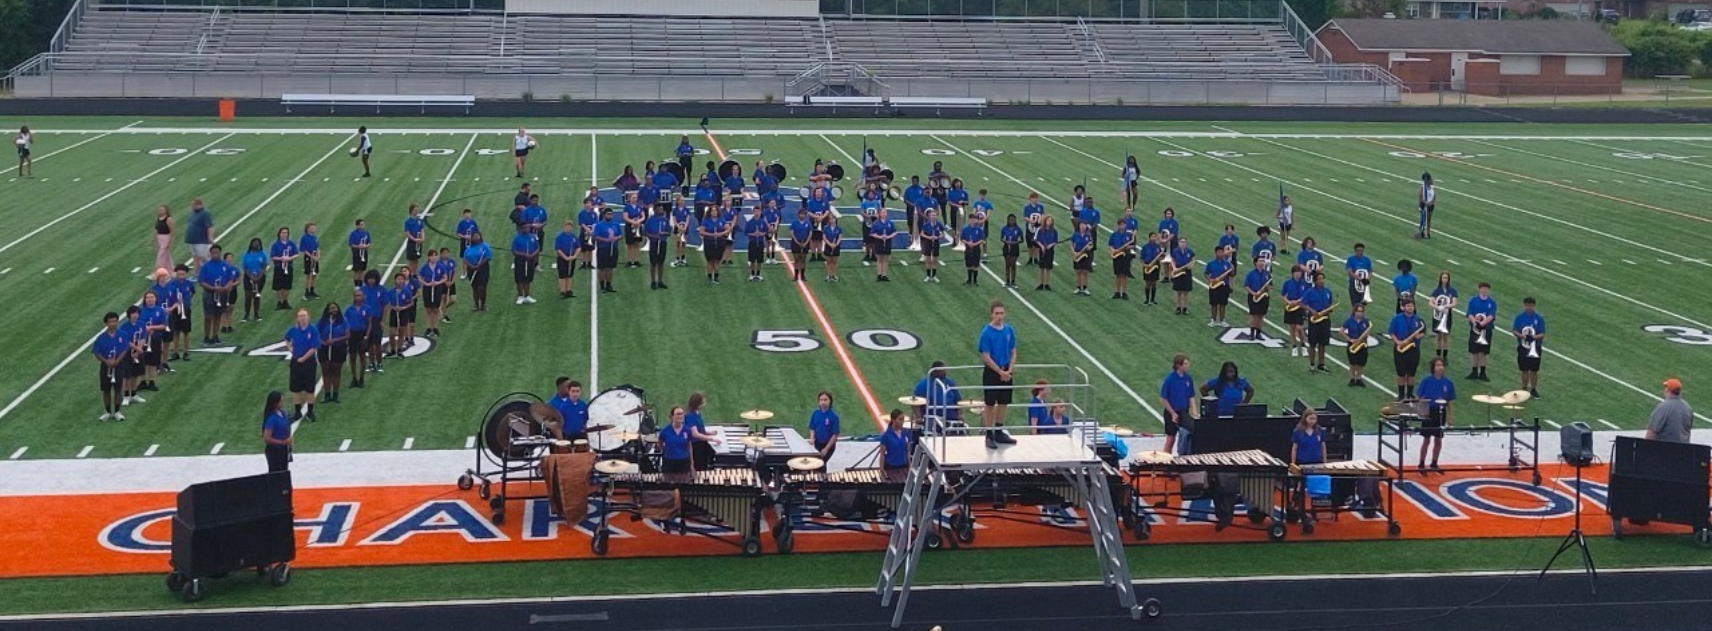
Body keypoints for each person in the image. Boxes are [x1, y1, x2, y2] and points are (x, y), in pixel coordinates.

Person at [978, 301, 1019, 449]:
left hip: (1006, 369)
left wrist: (1009, 370)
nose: (999, 316)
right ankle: (989, 433)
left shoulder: (1009, 330)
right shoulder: (987, 332)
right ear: (992, 314)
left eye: (1001, 313)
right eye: (997, 313)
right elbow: (986, 356)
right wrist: (1000, 372)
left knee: (1003, 401)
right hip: (992, 371)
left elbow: (1013, 351)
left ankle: (999, 430)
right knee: (990, 403)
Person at [1415, 357, 1456, 473]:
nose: (1440, 367)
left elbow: (1449, 401)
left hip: (1441, 411)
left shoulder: (1448, 383)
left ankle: (1434, 463)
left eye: (1442, 365)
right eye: (1438, 365)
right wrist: (1421, 410)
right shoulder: (1426, 381)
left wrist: (1450, 416)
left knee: (1438, 440)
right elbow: (1419, 397)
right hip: (1429, 411)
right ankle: (1421, 463)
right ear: (1433, 367)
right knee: (1426, 440)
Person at [1288, 408, 1326, 525]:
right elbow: (1294, 448)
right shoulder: (1298, 431)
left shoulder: (1319, 431)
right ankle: (1298, 509)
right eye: (1310, 418)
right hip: (1302, 462)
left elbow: (1323, 446)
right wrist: (1293, 463)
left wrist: (1325, 462)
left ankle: (1313, 511)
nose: (1313, 421)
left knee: (1315, 488)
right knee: (1299, 487)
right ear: (1305, 418)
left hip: (1316, 462)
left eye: (1315, 418)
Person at [285, 308, 321, 422]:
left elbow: (314, 347)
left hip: (309, 362)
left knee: (310, 388)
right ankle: (297, 412)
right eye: (300, 316)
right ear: (297, 318)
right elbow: (286, 339)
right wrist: (290, 349)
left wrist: (303, 358)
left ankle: (310, 412)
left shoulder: (313, 330)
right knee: (295, 388)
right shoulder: (293, 330)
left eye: (304, 315)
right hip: (296, 362)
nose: (303, 318)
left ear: (308, 317)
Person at [1159, 354, 1198, 455]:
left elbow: (1191, 396)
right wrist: (1173, 413)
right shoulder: (1170, 379)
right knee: (1171, 439)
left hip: (1184, 412)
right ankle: (1166, 459)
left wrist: (1194, 410)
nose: (1188, 365)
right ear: (1178, 365)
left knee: (1188, 436)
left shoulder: (1188, 379)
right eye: (1185, 363)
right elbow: (1163, 399)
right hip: (1171, 412)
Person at [1389, 300, 1426, 401]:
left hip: (1413, 349)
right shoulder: (1396, 319)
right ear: (1403, 307)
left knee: (1411, 373)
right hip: (1400, 348)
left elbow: (1423, 332)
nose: (1410, 308)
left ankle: (1410, 394)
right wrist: (1398, 342)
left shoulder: (1418, 319)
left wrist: (1419, 336)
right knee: (1401, 373)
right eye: (1408, 306)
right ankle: (1401, 395)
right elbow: (1391, 332)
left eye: (1412, 306)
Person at [94, 312, 127, 421]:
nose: (113, 324)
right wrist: (106, 361)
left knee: (118, 389)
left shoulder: (123, 335)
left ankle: (117, 411)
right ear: (106, 323)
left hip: (119, 365)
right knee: (106, 390)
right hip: (106, 366)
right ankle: (108, 411)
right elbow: (97, 352)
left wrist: (117, 361)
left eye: (114, 321)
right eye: (110, 322)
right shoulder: (101, 338)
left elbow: (125, 349)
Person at [1513, 297, 1546, 399]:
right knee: (1524, 369)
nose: (1529, 307)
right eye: (1527, 305)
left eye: (1531, 306)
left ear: (1534, 306)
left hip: (1535, 347)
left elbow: (1542, 333)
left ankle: (1533, 389)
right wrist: (1523, 336)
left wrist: (1533, 337)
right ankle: (1524, 388)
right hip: (1523, 347)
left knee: (1534, 370)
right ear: (1524, 305)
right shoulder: (1519, 317)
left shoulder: (1539, 318)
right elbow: (1515, 331)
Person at [1304, 272, 1337, 374]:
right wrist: (1312, 310)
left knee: (1323, 343)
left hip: (1325, 319)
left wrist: (1329, 309)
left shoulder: (1328, 291)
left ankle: (1321, 364)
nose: (1322, 281)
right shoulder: (1309, 292)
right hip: (1314, 319)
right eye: (1319, 279)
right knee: (1313, 343)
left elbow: (1329, 303)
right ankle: (1312, 364)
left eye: (1322, 278)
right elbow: (1302, 304)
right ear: (1315, 281)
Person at [913, 361, 963, 429]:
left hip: (952, 420)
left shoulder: (950, 383)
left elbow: (958, 400)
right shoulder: (923, 385)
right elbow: (916, 403)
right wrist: (919, 417)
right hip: (933, 421)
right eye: (942, 371)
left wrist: (960, 415)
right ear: (934, 372)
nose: (945, 372)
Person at [200, 245, 235, 342]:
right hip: (209, 293)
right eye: (213, 253)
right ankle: (207, 337)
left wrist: (225, 287)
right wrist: (212, 288)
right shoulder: (205, 266)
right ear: (210, 254)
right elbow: (202, 281)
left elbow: (231, 279)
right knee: (208, 316)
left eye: (217, 252)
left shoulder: (225, 266)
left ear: (220, 253)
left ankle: (215, 336)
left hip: (222, 293)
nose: (215, 254)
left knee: (218, 315)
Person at [317, 302, 348, 404]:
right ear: (327, 310)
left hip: (339, 348)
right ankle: (327, 394)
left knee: (336, 371)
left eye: (335, 308)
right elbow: (316, 334)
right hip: (324, 348)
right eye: (331, 308)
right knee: (326, 371)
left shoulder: (343, 321)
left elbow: (347, 335)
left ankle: (335, 394)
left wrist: (335, 340)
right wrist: (323, 342)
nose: (333, 310)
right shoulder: (322, 321)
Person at [164, 265, 196, 363]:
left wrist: (187, 301)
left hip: (185, 309)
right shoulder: (171, 284)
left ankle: (186, 351)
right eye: (179, 274)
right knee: (176, 331)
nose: (181, 276)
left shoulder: (189, 283)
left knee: (186, 331)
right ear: (176, 274)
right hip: (175, 310)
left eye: (183, 274)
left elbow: (192, 292)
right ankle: (176, 352)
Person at [1465, 282, 1497, 381]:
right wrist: (1475, 322)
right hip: (1475, 330)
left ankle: (1482, 373)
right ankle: (1474, 371)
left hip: (1486, 330)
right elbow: (1469, 313)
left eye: (1486, 289)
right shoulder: (1473, 301)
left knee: (1483, 352)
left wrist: (1482, 324)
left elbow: (1491, 316)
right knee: (1474, 352)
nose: (1484, 290)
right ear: (1479, 289)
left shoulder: (1492, 303)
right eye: (1483, 288)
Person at [138, 290, 169, 391]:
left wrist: (152, 328)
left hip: (155, 338)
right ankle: (143, 381)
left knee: (153, 361)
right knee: (143, 360)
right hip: (142, 339)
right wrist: (145, 329)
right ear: (145, 299)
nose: (150, 299)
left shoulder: (160, 310)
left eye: (152, 297)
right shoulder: (140, 311)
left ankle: (152, 381)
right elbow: (137, 325)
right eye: (147, 297)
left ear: (155, 299)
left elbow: (164, 325)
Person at [683, 392, 722, 471]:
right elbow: (695, 434)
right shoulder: (690, 416)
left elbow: (700, 428)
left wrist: (709, 433)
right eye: (703, 402)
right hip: (696, 445)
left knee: (711, 453)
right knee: (700, 465)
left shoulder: (697, 413)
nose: (704, 404)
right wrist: (712, 439)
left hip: (701, 442)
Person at [117, 306, 146, 407]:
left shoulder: (141, 324)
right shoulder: (124, 327)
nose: (135, 315)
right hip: (127, 353)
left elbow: (143, 337)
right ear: (129, 315)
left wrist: (139, 350)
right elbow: (126, 341)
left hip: (137, 352)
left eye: (137, 313)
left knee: (135, 374)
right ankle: (126, 396)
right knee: (127, 375)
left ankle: (133, 394)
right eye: (133, 313)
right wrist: (136, 348)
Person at [1647, 378, 1693, 443]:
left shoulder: (1663, 407)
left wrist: (1646, 446)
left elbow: (1652, 431)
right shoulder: (1687, 408)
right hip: (1683, 447)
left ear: (1667, 390)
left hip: (1666, 447)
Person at [1341, 304, 1373, 388]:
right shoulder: (1349, 320)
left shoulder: (1366, 321)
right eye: (1358, 311)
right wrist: (1350, 339)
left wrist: (1365, 336)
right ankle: (1352, 378)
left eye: (1361, 311)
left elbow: (1368, 331)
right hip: (1353, 343)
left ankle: (1359, 378)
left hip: (1362, 343)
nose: (1360, 313)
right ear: (1354, 311)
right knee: (1353, 362)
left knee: (1361, 363)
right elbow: (1341, 331)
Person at [344, 290, 371, 389]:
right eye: (356, 296)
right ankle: (354, 378)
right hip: (352, 334)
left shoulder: (367, 308)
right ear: (354, 297)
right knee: (352, 356)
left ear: (363, 297)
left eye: (360, 295)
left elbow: (369, 323)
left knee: (363, 356)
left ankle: (361, 379)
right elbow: (345, 323)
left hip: (362, 334)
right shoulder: (348, 309)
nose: (358, 297)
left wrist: (367, 336)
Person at [268, 227, 300, 311]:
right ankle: (280, 301)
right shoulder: (276, 245)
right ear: (279, 234)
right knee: (278, 285)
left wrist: (289, 258)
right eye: (283, 232)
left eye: (286, 233)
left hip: (288, 266)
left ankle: (285, 301)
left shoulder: (291, 243)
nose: (284, 234)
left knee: (287, 285)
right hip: (279, 267)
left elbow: (296, 254)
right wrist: (281, 258)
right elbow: (272, 257)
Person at [696, 203, 728, 285]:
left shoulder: (721, 219)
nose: (714, 212)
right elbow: (701, 231)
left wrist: (721, 234)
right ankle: (710, 278)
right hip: (709, 242)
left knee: (717, 261)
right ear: (709, 212)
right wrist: (712, 234)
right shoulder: (706, 220)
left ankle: (716, 278)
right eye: (712, 211)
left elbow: (728, 228)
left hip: (720, 242)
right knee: (710, 261)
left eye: (715, 211)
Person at [262, 391, 294, 472]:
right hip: (274, 451)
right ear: (275, 403)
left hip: (283, 449)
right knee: (276, 474)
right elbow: (266, 438)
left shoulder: (283, 413)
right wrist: (282, 442)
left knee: (284, 472)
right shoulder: (271, 418)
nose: (283, 403)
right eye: (281, 401)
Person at [594, 207, 624, 291]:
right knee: (602, 268)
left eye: (611, 214)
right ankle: (602, 285)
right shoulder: (599, 225)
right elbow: (595, 236)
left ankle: (608, 285)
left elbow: (621, 235)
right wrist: (605, 240)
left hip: (613, 248)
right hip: (603, 248)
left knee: (610, 267)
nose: (610, 216)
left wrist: (615, 238)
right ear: (604, 215)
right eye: (608, 214)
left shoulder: (616, 224)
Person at [1242, 256, 1271, 341]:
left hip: (1264, 296)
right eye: (1260, 261)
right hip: (1254, 296)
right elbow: (1246, 285)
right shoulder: (1251, 274)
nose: (1262, 263)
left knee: (1261, 316)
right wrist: (1253, 293)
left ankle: (1258, 333)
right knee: (1254, 316)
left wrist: (1267, 288)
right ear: (1256, 263)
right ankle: (1252, 334)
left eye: (1263, 261)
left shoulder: (1267, 274)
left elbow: (1270, 286)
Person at [463, 232, 492, 312]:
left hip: (482, 269)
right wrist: (472, 266)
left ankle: (482, 305)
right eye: (474, 236)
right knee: (475, 288)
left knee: (482, 287)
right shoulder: (468, 248)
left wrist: (479, 265)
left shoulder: (484, 246)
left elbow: (488, 257)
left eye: (477, 236)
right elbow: (465, 259)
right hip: (471, 269)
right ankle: (476, 305)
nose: (476, 238)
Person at [1204, 247, 1234, 327]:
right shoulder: (1211, 263)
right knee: (1214, 304)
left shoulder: (1227, 263)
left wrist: (1232, 268)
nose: (1220, 254)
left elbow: (1231, 274)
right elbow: (1206, 273)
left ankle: (1222, 320)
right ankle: (1213, 320)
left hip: (1224, 286)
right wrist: (1210, 280)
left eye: (1221, 252)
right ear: (1215, 253)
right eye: (1218, 252)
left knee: (1223, 304)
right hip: (1214, 286)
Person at [511, 226, 540, 305]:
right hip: (520, 261)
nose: (526, 229)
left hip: (530, 260)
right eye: (524, 228)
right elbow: (514, 251)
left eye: (527, 227)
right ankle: (521, 296)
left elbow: (537, 248)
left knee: (528, 278)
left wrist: (532, 255)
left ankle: (527, 296)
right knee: (520, 278)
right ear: (522, 229)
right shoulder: (517, 238)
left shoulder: (532, 237)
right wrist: (524, 255)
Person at [645, 204, 672, 290]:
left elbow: (669, 232)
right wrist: (654, 236)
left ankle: (660, 281)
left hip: (662, 243)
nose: (661, 211)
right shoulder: (650, 220)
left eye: (662, 209)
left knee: (661, 263)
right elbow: (645, 232)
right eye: (659, 209)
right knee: (653, 263)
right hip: (653, 243)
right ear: (655, 210)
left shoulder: (665, 220)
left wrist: (664, 233)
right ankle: (653, 281)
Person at [240, 238, 267, 323]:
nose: (256, 244)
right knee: (248, 295)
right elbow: (244, 267)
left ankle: (256, 314)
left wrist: (258, 277)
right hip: (248, 277)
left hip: (260, 276)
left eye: (257, 243)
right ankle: (246, 315)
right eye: (254, 243)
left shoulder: (262, 254)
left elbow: (264, 266)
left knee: (257, 295)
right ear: (251, 244)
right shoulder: (246, 255)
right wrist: (251, 276)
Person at [1168, 235, 1196, 316]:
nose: (1183, 243)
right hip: (1178, 272)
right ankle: (1178, 307)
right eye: (1181, 242)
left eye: (1184, 242)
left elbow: (1193, 259)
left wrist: (1191, 265)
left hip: (1187, 272)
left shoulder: (1189, 251)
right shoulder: (1175, 251)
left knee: (1186, 291)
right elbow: (1172, 260)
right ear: (1178, 243)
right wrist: (1174, 268)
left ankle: (1185, 308)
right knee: (1178, 291)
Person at [809, 391, 840, 463]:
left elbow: (835, 434)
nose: (823, 402)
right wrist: (812, 438)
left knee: (821, 463)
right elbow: (812, 427)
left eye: (825, 400)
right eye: (821, 400)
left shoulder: (833, 416)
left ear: (830, 401)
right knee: (817, 463)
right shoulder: (815, 414)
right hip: (817, 443)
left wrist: (826, 449)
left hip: (828, 445)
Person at [1108, 220, 1135, 300]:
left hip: (1125, 256)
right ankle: (1117, 292)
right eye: (1122, 225)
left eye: (1124, 224)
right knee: (1118, 274)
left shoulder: (1129, 235)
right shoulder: (1114, 235)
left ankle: (1124, 292)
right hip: (1117, 256)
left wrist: (1128, 247)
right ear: (1118, 225)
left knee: (1124, 274)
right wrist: (1113, 250)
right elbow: (1110, 245)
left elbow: (1133, 245)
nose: (1123, 226)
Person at [553, 220, 580, 299]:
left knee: (570, 274)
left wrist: (575, 256)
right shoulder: (559, 237)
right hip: (562, 258)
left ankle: (569, 290)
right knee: (562, 275)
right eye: (567, 227)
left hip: (571, 257)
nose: (569, 229)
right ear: (564, 227)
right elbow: (558, 249)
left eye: (570, 227)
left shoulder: (573, 237)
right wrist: (565, 257)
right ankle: (563, 291)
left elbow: (578, 247)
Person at [185, 198, 214, 270]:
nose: (191, 207)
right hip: (193, 241)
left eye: (193, 205)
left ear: (198, 205)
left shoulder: (205, 213)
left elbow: (210, 226)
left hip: (201, 241)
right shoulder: (194, 213)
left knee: (204, 258)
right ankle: (197, 273)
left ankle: (210, 272)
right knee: (196, 258)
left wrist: (210, 237)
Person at [621, 192, 647, 268]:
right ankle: (629, 260)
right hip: (630, 227)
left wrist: (638, 221)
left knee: (637, 244)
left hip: (638, 226)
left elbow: (643, 216)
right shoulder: (627, 207)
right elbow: (625, 217)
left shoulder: (639, 206)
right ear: (630, 198)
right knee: (630, 244)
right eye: (633, 198)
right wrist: (633, 222)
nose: (634, 199)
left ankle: (636, 260)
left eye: (636, 198)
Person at [1069, 221, 1095, 296]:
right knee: (1078, 271)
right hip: (1077, 254)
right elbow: (1071, 244)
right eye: (1081, 225)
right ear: (1079, 226)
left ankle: (1084, 288)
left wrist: (1089, 248)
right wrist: (1074, 252)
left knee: (1085, 271)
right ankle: (1078, 287)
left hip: (1085, 255)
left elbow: (1091, 245)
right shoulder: (1075, 235)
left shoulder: (1088, 235)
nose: (1083, 226)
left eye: (1084, 225)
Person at [1034, 215, 1058, 291]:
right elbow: (1037, 240)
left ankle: (1046, 284)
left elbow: (1055, 241)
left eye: (1050, 221)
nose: (1049, 222)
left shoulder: (1054, 231)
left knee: (1048, 267)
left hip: (1050, 250)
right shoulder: (1041, 230)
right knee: (1042, 267)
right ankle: (1041, 283)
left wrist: (1051, 245)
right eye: (1048, 220)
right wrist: (1041, 246)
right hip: (1042, 250)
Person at [869, 210, 895, 282]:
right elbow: (872, 233)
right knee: (879, 259)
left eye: (885, 212)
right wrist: (879, 237)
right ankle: (879, 274)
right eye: (882, 212)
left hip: (887, 242)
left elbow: (894, 232)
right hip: (879, 242)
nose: (884, 214)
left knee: (886, 259)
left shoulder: (890, 222)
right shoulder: (876, 223)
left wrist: (888, 237)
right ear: (879, 214)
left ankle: (884, 275)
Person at [744, 208, 769, 283]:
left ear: (760, 212)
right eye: (755, 211)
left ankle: (758, 274)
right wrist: (753, 234)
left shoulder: (763, 222)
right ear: (753, 212)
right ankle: (752, 274)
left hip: (760, 242)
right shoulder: (750, 222)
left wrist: (761, 234)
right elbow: (746, 232)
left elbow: (766, 231)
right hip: (752, 242)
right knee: (752, 259)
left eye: (758, 211)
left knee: (759, 260)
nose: (757, 213)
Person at [1139, 231, 1164, 305]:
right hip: (1147, 265)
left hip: (1155, 265)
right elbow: (1141, 258)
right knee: (1147, 283)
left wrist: (1161, 258)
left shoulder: (1158, 247)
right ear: (1149, 238)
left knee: (1154, 283)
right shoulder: (1145, 247)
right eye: (1152, 236)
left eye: (1155, 237)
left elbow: (1161, 257)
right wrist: (1144, 265)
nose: (1154, 238)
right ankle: (1147, 300)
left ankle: (1153, 299)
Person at [920, 208, 944, 283]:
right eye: (932, 215)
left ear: (936, 216)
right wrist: (929, 237)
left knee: (934, 260)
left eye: (934, 215)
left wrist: (937, 237)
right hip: (928, 242)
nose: (933, 216)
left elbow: (942, 234)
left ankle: (933, 276)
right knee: (928, 260)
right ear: (929, 216)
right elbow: (922, 234)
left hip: (936, 242)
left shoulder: (939, 224)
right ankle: (928, 276)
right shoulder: (926, 225)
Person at [1000, 214, 1024, 289]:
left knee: (1013, 264)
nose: (1011, 221)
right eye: (1010, 220)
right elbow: (1001, 238)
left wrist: (1015, 242)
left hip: (1015, 248)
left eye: (1013, 220)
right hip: (1006, 247)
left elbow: (1022, 240)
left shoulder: (1018, 229)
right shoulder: (1004, 229)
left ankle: (1013, 281)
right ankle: (1007, 281)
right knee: (1007, 264)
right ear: (1008, 220)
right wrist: (1006, 241)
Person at [671, 194, 694, 268]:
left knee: (683, 243)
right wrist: (678, 227)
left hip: (685, 228)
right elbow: (674, 220)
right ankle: (677, 258)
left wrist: (685, 228)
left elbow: (687, 219)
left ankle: (683, 258)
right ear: (677, 201)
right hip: (677, 228)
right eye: (681, 200)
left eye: (683, 200)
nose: (682, 202)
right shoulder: (675, 210)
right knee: (677, 243)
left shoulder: (686, 210)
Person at [300, 222, 321, 301]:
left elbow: (317, 247)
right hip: (308, 257)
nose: (314, 229)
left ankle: (312, 290)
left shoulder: (315, 237)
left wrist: (318, 256)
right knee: (308, 275)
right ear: (307, 229)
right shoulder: (304, 238)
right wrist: (312, 256)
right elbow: (304, 250)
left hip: (315, 256)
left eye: (314, 228)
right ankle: (306, 292)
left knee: (314, 274)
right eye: (312, 228)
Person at [960, 220, 985, 287]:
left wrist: (974, 244)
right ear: (969, 221)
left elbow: (982, 239)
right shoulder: (965, 229)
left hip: (976, 248)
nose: (973, 221)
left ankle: (975, 280)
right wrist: (968, 243)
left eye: (974, 220)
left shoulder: (979, 229)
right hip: (968, 248)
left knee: (975, 265)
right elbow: (962, 238)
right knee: (969, 264)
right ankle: (969, 280)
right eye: (971, 220)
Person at [348, 218, 371, 288]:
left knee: (362, 269)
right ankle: (356, 286)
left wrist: (365, 246)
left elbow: (369, 242)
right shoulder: (353, 234)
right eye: (361, 224)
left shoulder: (366, 233)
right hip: (356, 253)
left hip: (364, 253)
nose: (363, 226)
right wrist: (358, 246)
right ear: (357, 226)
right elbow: (351, 244)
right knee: (356, 270)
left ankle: (360, 285)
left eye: (363, 224)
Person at [823, 212, 845, 282]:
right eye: (830, 219)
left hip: (836, 247)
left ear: (835, 219)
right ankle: (828, 275)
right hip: (828, 246)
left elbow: (840, 237)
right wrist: (830, 244)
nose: (832, 220)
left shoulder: (839, 228)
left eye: (833, 218)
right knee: (828, 261)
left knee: (834, 262)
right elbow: (824, 237)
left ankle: (834, 274)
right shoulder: (826, 228)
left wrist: (835, 245)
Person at [153, 205, 175, 273]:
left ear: (166, 211)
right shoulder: (159, 218)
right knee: (166, 257)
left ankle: (157, 271)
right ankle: (171, 272)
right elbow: (157, 229)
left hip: (166, 238)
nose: (160, 211)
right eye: (160, 210)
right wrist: (154, 239)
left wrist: (170, 241)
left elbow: (172, 231)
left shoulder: (168, 219)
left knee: (161, 256)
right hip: (160, 238)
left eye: (162, 210)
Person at [1416, 172, 1435, 239]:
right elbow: (1421, 197)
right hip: (1424, 205)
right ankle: (1421, 232)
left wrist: (1432, 202)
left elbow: (1434, 196)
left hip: (1431, 205)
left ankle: (1428, 233)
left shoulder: (1432, 187)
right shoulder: (1423, 188)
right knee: (1423, 219)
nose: (1431, 180)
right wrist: (1426, 203)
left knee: (1429, 220)